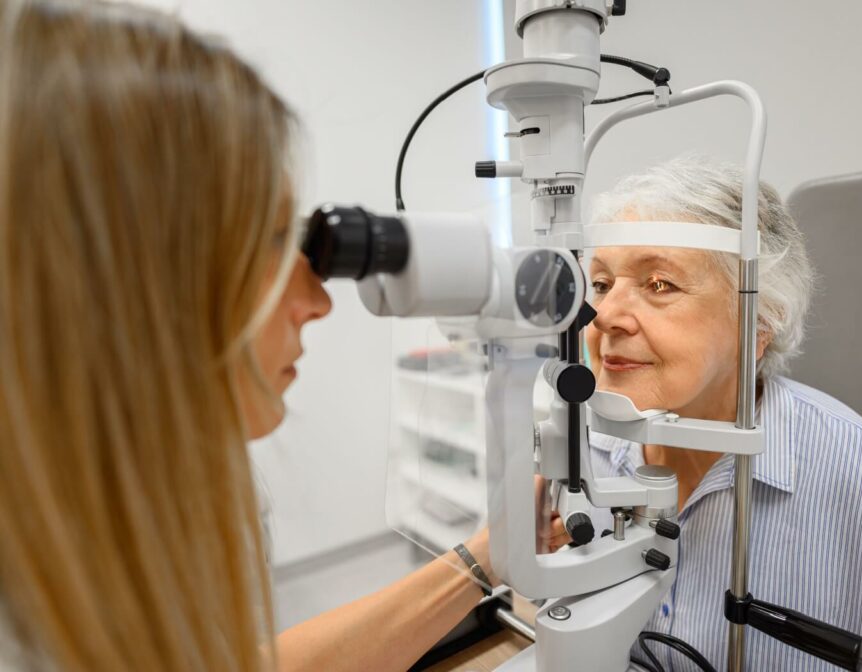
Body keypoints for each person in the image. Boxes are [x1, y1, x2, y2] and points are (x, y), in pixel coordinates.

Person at [0, 2, 578, 670]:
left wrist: (486, 559)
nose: (316, 303)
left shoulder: (135, 497)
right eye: (274, 239)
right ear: (134, 276)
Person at [584, 155, 862, 670]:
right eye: (601, 284)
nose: (603, 315)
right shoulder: (580, 456)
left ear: (761, 324)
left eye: (659, 285)